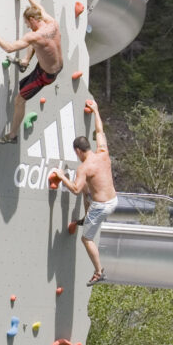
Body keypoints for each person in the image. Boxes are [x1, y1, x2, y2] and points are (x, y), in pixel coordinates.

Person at [51, 98, 117, 286]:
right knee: (88, 188)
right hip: (113, 200)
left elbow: (74, 189)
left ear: (78, 151)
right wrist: (95, 110)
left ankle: (98, 272)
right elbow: (100, 131)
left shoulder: (85, 168)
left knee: (86, 238)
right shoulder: (103, 152)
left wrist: (61, 175)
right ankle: (86, 217)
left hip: (101, 207)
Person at [0, 0, 63, 143]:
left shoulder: (34, 36)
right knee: (35, 43)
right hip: (55, 67)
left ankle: (12, 136)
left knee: (19, 100)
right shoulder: (52, 23)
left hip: (45, 76)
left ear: (33, 20)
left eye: (27, 23)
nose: (27, 26)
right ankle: (27, 60)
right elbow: (39, 8)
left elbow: (8, 47)